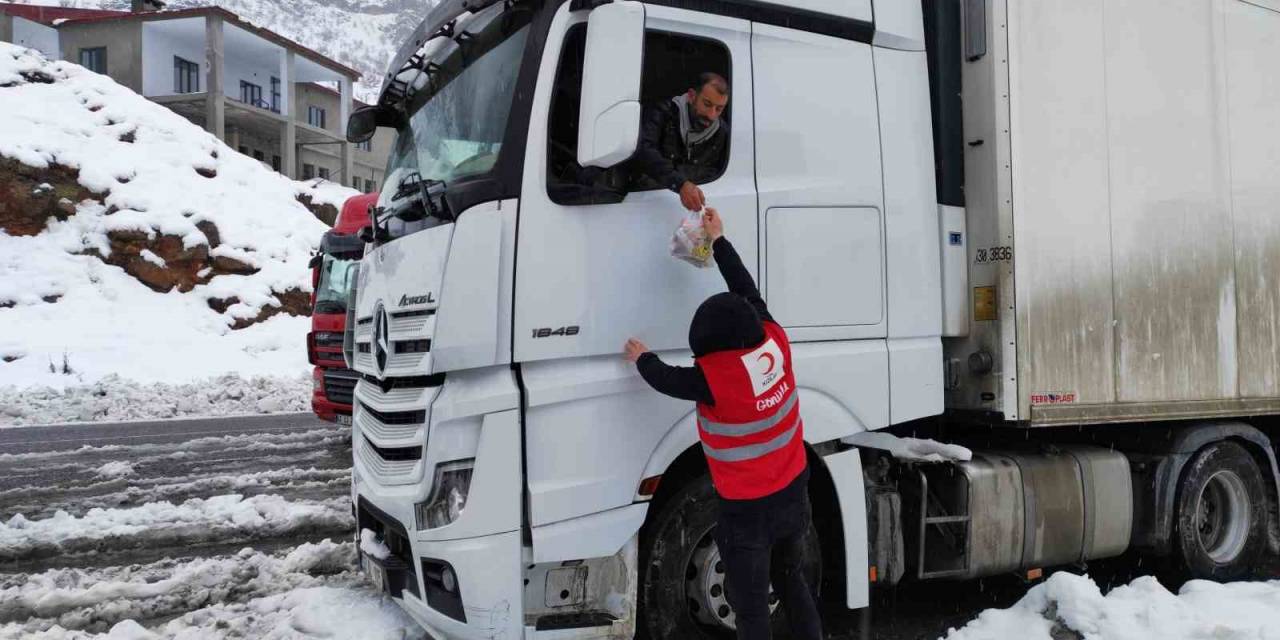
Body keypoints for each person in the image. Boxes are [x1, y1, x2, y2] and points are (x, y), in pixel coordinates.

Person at [623, 209, 822, 640]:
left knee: (750, 608)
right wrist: (719, 241)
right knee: (791, 580)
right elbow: (747, 291)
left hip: (748, 512)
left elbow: (666, 378)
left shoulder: (715, 380)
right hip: (794, 492)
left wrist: (642, 358)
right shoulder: (774, 341)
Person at [630, 72, 731, 211]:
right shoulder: (662, 113)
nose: (711, 115)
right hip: (646, 205)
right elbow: (643, 151)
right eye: (707, 104)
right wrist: (680, 184)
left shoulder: (723, 134)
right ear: (691, 96)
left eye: (719, 109)